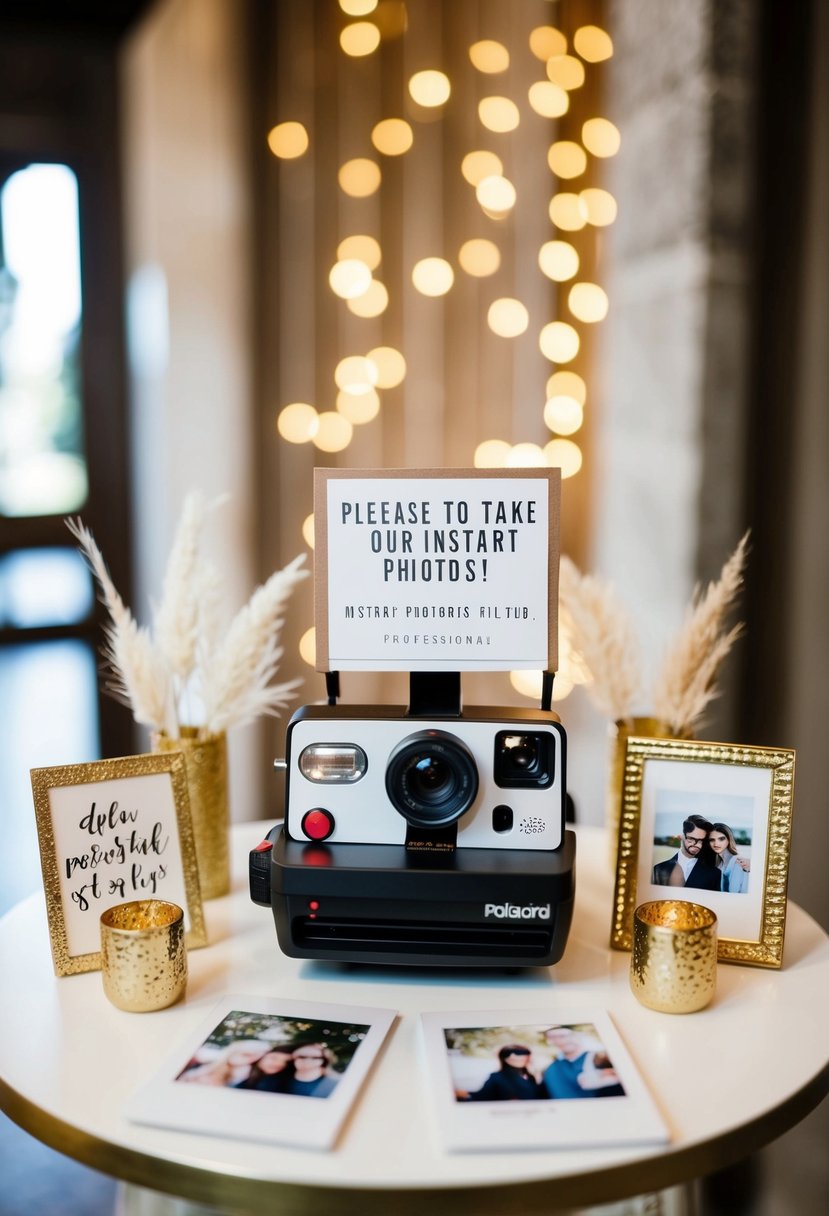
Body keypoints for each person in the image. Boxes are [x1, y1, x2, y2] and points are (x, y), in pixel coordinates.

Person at [541, 1027, 625, 1099]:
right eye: (554, 1037)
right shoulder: (551, 1070)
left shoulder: (602, 1058)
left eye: (564, 1036)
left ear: (577, 1036)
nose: (564, 1040)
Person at [651, 813, 721, 890]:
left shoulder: (714, 874)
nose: (697, 845)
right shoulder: (658, 869)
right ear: (682, 836)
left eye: (701, 841)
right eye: (691, 839)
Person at [459, 1045, 545, 1102]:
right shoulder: (497, 1077)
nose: (520, 1058)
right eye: (516, 1056)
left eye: (524, 1056)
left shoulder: (531, 1076)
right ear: (505, 1059)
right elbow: (483, 1096)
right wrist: (464, 1094)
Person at [177, 1039, 273, 1087]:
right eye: (247, 1054)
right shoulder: (207, 1059)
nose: (251, 1060)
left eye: (256, 1059)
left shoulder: (244, 1073)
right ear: (235, 1051)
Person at [708, 822, 750, 893]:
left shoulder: (741, 863)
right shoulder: (717, 865)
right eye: (712, 840)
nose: (716, 844)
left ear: (729, 839)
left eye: (721, 839)